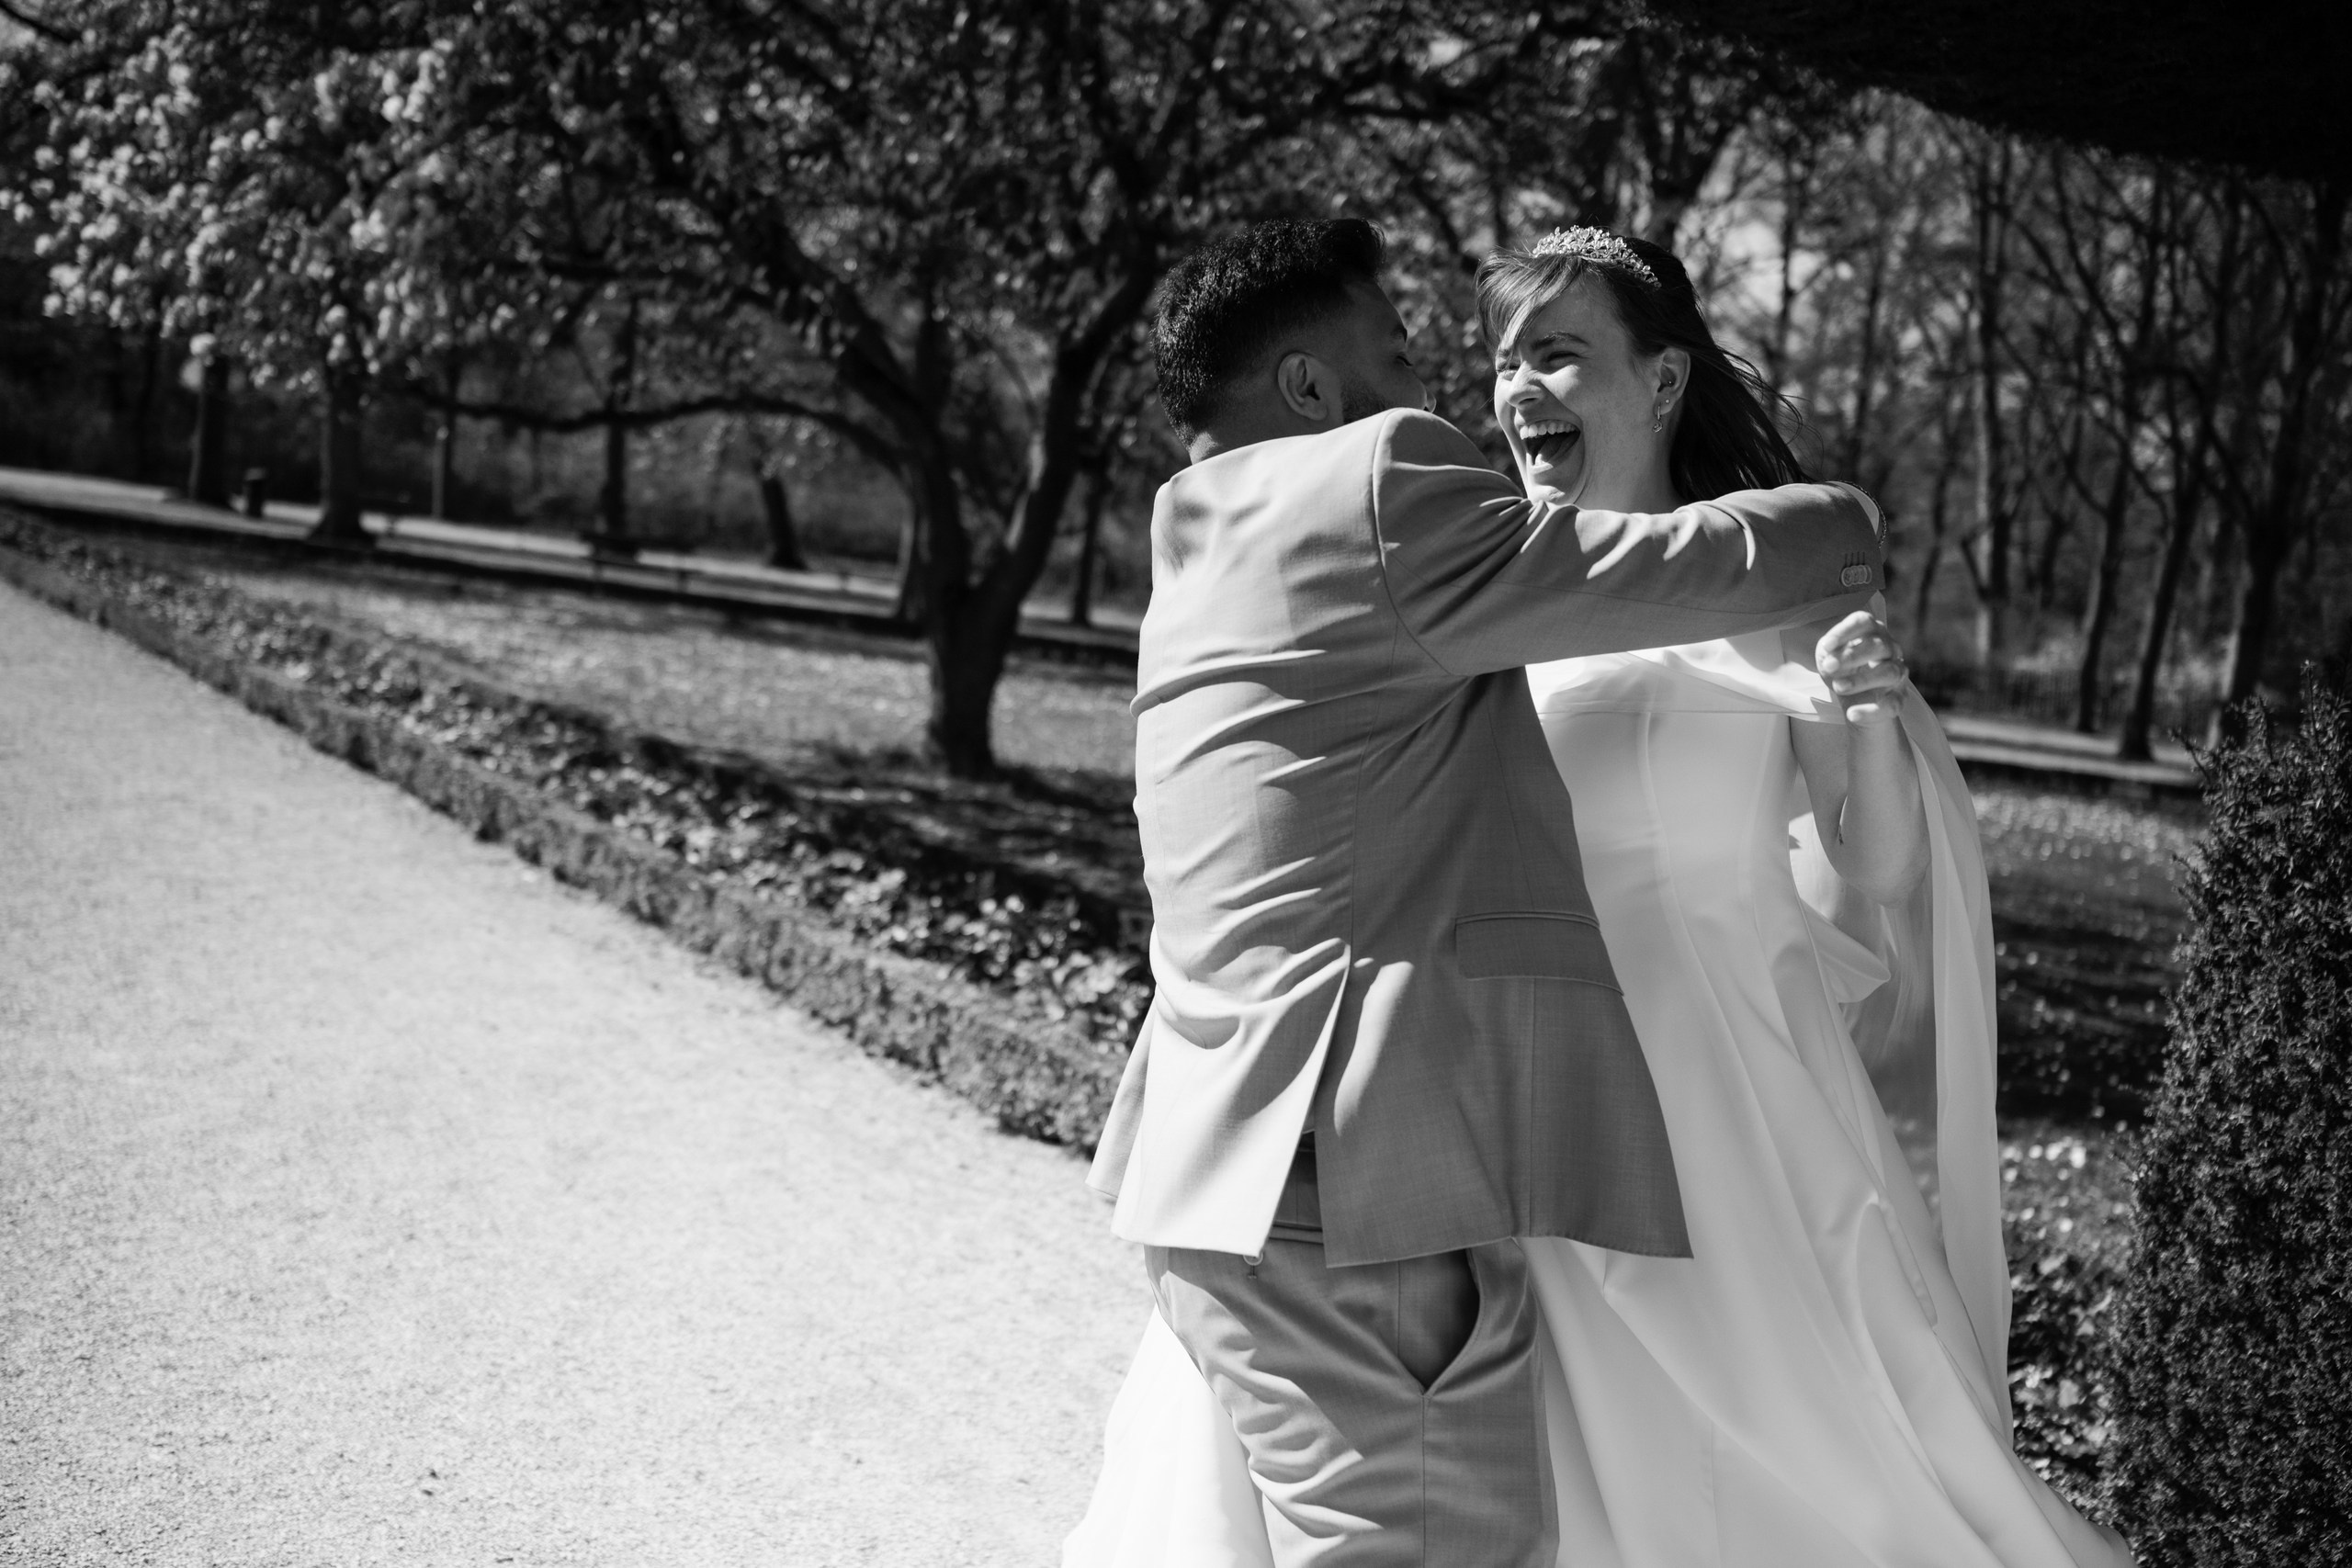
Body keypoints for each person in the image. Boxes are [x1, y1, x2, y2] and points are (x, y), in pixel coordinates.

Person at [1067, 226, 2137, 1567]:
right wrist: (1850, 519)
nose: (1487, 388)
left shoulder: (1251, 538)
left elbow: (1872, 865)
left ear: (1664, 380)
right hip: (1459, 1110)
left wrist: (1863, 710)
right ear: (1308, 384)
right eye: (1480, 358)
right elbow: (1669, 574)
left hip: (1682, 1094)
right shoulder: (1443, 553)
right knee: (1424, 1521)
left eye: (1558, 354)